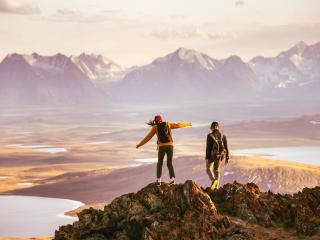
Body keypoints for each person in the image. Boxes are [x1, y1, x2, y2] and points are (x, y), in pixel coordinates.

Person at [136, 115, 192, 185]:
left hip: (162, 147)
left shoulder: (155, 127)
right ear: (161, 120)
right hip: (170, 146)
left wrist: (139, 145)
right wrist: (188, 124)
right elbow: (179, 125)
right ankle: (172, 180)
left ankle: (159, 180)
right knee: (169, 163)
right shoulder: (168, 124)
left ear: (155, 121)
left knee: (160, 163)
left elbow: (147, 138)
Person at [205, 121, 229, 191]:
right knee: (216, 170)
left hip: (213, 155)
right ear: (218, 127)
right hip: (221, 156)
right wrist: (227, 157)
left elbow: (208, 148)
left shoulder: (210, 136)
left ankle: (213, 180)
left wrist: (207, 158)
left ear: (212, 128)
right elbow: (226, 148)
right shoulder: (223, 136)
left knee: (208, 169)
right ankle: (216, 187)